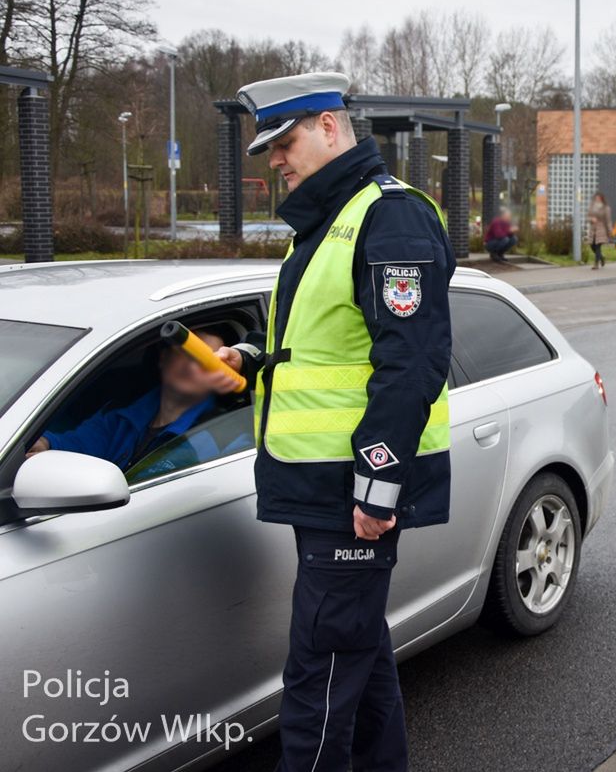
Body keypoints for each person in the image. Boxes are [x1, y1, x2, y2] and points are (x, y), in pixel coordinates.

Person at [209, 72, 453, 772]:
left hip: (351, 495)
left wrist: (376, 491)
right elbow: (330, 349)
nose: (277, 160)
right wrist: (254, 359)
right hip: (318, 488)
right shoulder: (327, 220)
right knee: (357, 654)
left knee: (317, 678)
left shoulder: (389, 215)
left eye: (284, 142)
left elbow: (412, 364)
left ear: (328, 126)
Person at [25, 327, 241, 470]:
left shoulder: (223, 434)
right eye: (184, 353)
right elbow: (77, 444)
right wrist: (45, 443)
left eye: (205, 360)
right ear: (163, 358)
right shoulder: (120, 414)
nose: (192, 365)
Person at [587, 192, 612, 269]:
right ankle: (601, 257)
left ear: (602, 199)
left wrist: (610, 231)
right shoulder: (592, 207)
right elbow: (588, 217)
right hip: (593, 230)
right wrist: (591, 219)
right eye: (596, 198)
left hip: (602, 229)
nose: (597, 199)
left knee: (598, 247)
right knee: (592, 246)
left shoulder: (606, 208)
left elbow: (608, 220)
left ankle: (596, 264)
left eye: (599, 198)